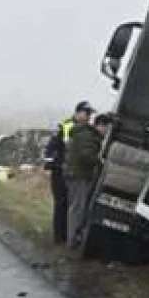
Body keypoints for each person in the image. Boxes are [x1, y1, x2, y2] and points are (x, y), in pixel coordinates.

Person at [43, 101, 93, 244]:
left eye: (90, 114)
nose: (89, 116)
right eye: (86, 113)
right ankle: (59, 237)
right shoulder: (68, 126)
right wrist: (51, 164)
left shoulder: (84, 129)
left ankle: (65, 235)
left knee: (70, 204)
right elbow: (56, 146)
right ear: (77, 113)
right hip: (61, 170)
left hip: (69, 170)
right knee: (61, 203)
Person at [65, 111, 113, 248]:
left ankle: (74, 237)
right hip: (79, 175)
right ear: (100, 126)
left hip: (76, 174)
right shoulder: (88, 136)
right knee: (77, 208)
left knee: (77, 206)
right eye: (107, 128)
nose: (107, 132)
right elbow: (86, 156)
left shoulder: (86, 134)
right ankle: (72, 239)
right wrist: (99, 160)